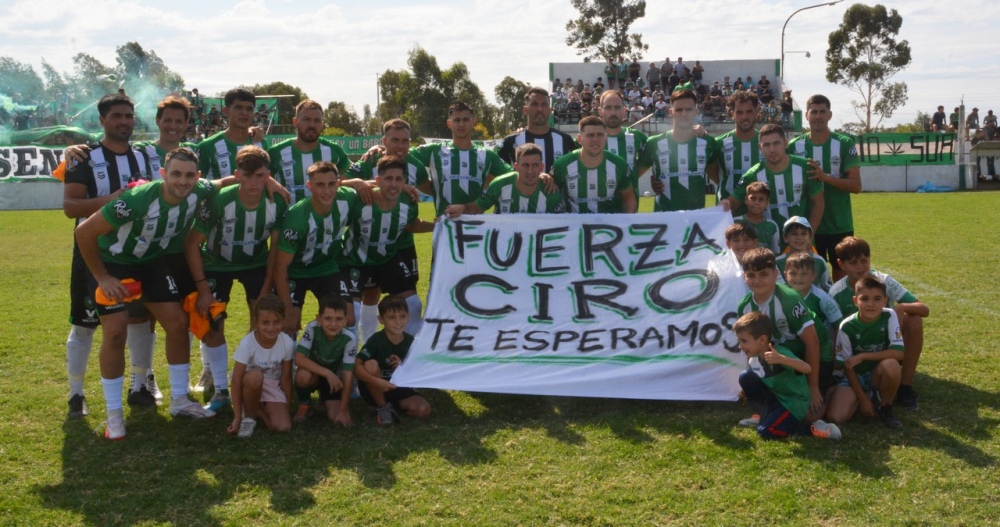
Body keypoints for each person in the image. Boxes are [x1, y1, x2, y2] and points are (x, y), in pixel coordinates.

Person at [75, 148, 220, 440]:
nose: (183, 181)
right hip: (114, 264)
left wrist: (267, 181)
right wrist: (102, 277)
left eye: (189, 175)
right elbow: (84, 232)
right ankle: (114, 415)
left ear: (198, 177)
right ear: (163, 174)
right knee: (115, 333)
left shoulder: (199, 190)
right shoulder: (137, 199)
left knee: (178, 324)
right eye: (176, 174)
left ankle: (180, 400)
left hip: (151, 262)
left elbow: (224, 182)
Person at [61, 93, 154, 418]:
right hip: (94, 255)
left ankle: (139, 386)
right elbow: (70, 207)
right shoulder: (83, 157)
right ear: (102, 120)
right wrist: (112, 199)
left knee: (140, 320)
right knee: (87, 324)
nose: (124, 122)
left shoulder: (146, 156)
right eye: (117, 116)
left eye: (128, 116)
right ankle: (76, 393)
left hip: (137, 253)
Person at [183, 146, 287, 413]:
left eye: (260, 176)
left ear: (269, 176)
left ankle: (257, 381)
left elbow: (275, 249)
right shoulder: (220, 200)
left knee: (262, 321)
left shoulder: (277, 201)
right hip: (217, 264)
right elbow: (192, 244)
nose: (254, 183)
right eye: (247, 175)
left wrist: (265, 287)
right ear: (237, 174)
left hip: (256, 264)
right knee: (213, 324)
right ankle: (220, 389)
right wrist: (203, 289)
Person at [828, 236, 929, 410]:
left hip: (886, 347)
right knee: (838, 415)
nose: (860, 267)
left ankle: (905, 387)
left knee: (914, 320)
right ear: (841, 264)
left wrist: (901, 307)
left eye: (864, 261)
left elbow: (924, 309)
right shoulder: (836, 292)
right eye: (853, 262)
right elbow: (835, 330)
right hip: (857, 351)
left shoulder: (884, 281)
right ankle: (861, 388)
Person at [340, 155, 435, 338]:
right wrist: (356, 182)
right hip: (354, 261)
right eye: (388, 179)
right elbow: (329, 186)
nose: (393, 184)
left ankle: (408, 357)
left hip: (388, 260)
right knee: (352, 312)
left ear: (405, 182)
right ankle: (355, 358)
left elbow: (410, 224)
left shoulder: (408, 201)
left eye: (399, 179)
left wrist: (436, 226)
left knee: (413, 305)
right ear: (377, 180)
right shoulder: (358, 199)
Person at [273, 161, 361, 337]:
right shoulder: (297, 217)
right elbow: (280, 266)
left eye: (331, 184)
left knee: (349, 318)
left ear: (338, 183)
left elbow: (382, 188)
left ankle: (337, 360)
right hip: (295, 272)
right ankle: (290, 362)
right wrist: (289, 310)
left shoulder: (347, 198)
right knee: (289, 324)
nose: (327, 190)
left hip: (326, 269)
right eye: (320, 185)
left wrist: (403, 187)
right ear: (309, 186)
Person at [737, 248, 824, 423]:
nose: (757, 280)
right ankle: (766, 414)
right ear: (744, 276)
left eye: (763, 274)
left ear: (776, 274)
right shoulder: (744, 306)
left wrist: (813, 388)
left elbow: (813, 343)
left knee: (810, 416)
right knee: (747, 378)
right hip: (776, 360)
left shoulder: (789, 299)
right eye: (751, 275)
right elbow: (750, 345)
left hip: (803, 359)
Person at [787, 94, 862, 282]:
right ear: (806, 115)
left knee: (842, 278)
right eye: (814, 112)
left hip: (839, 223)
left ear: (830, 115)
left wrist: (824, 178)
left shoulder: (844, 143)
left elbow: (856, 185)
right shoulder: (795, 146)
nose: (818, 116)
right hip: (807, 227)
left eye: (822, 112)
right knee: (809, 277)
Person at [734, 312, 841, 440]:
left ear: (762, 339)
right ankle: (765, 417)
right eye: (739, 341)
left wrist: (781, 359)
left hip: (793, 403)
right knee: (745, 377)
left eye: (744, 341)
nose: (740, 346)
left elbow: (807, 368)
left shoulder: (779, 353)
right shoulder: (753, 359)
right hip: (778, 400)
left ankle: (814, 428)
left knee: (766, 432)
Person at [825, 275, 905, 429]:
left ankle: (885, 407)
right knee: (836, 417)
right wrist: (863, 400)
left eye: (877, 299)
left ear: (885, 300)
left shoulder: (889, 315)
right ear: (856, 301)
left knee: (891, 365)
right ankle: (868, 396)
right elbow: (847, 366)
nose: (871, 304)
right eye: (865, 299)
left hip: (878, 372)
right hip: (855, 375)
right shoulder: (846, 327)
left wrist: (863, 356)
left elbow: (899, 353)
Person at [728, 124, 824, 235]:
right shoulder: (752, 175)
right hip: (767, 242)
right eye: (766, 145)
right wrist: (724, 204)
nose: (772, 149)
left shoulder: (806, 167)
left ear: (785, 143)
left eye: (776, 143)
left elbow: (818, 203)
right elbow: (734, 201)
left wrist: (809, 234)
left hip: (799, 241)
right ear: (760, 147)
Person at [354, 295, 432, 426]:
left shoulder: (411, 342)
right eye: (392, 317)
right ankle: (382, 406)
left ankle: (393, 407)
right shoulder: (376, 340)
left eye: (402, 316)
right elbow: (356, 366)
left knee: (423, 410)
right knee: (370, 364)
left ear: (408, 316)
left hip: (398, 389)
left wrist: (403, 368)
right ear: (381, 319)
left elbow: (420, 370)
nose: (398, 322)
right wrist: (378, 382)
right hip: (376, 388)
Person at [641, 89, 721, 212]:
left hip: (696, 220)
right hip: (664, 220)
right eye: (679, 109)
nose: (683, 113)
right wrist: (653, 180)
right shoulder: (653, 143)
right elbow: (632, 176)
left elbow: (718, 178)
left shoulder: (708, 143)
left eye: (688, 109)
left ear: (696, 111)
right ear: (671, 112)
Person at [228, 295, 294, 438]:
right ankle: (249, 418)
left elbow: (286, 379)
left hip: (271, 384)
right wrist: (237, 416)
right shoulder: (248, 343)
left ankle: (258, 410)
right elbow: (236, 380)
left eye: (276, 322)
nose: (271, 328)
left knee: (283, 427)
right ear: (256, 322)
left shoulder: (287, 342)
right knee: (255, 377)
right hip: (249, 382)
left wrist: (286, 407)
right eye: (265, 323)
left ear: (283, 320)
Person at [782, 251, 842, 400]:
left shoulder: (822, 298)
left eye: (804, 274)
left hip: (821, 355)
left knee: (815, 400)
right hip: (794, 353)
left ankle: (834, 388)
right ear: (785, 274)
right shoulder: (781, 295)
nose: (798, 278)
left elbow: (839, 326)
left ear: (813, 276)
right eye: (793, 273)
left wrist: (835, 361)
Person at [268, 99, 351, 205]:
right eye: (306, 119)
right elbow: (260, 178)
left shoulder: (334, 150)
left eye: (317, 121)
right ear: (295, 122)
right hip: (288, 218)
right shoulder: (276, 152)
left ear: (322, 124)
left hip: (325, 219)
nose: (312, 125)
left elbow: (353, 172)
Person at [445, 143, 564, 216]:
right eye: (525, 165)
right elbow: (477, 208)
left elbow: (561, 226)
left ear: (541, 167)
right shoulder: (499, 185)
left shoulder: (551, 193)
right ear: (516, 167)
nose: (530, 171)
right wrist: (463, 208)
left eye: (535, 165)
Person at [552, 115, 637, 214]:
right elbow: (551, 199)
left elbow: (628, 199)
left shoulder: (619, 164)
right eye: (590, 135)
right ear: (580, 139)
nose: (595, 139)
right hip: (574, 226)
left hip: (608, 226)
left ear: (606, 138)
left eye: (600, 135)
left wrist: (624, 224)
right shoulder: (562, 165)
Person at [293, 295, 356, 426]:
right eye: (328, 319)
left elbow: (347, 375)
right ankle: (305, 403)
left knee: (335, 418)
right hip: (315, 374)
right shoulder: (312, 328)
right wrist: (328, 374)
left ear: (346, 320)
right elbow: (299, 359)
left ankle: (324, 398)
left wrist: (343, 410)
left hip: (334, 381)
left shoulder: (349, 338)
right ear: (319, 319)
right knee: (302, 376)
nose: (333, 324)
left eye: (339, 319)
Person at [497, 87, 577, 173]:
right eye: (534, 104)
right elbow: (498, 176)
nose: (539, 109)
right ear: (525, 110)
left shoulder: (565, 140)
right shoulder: (510, 142)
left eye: (544, 104)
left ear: (550, 111)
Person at [197, 87, 263, 180]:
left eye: (249, 109)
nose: (244, 113)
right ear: (226, 111)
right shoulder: (207, 146)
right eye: (238, 108)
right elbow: (198, 185)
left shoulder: (260, 143)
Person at [716, 91, 761, 208]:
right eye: (739, 112)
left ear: (757, 111)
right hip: (727, 215)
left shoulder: (768, 143)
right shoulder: (719, 143)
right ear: (732, 113)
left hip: (761, 216)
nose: (744, 117)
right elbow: (713, 172)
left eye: (749, 111)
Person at [774, 216, 832, 291]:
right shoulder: (777, 262)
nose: (799, 237)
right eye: (794, 234)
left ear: (810, 237)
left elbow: (828, 288)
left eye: (804, 233)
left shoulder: (819, 261)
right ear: (785, 237)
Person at [734, 182, 780, 253]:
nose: (756, 203)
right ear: (746, 200)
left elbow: (776, 253)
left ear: (767, 202)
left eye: (761, 199)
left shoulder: (772, 225)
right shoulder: (735, 222)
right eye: (753, 198)